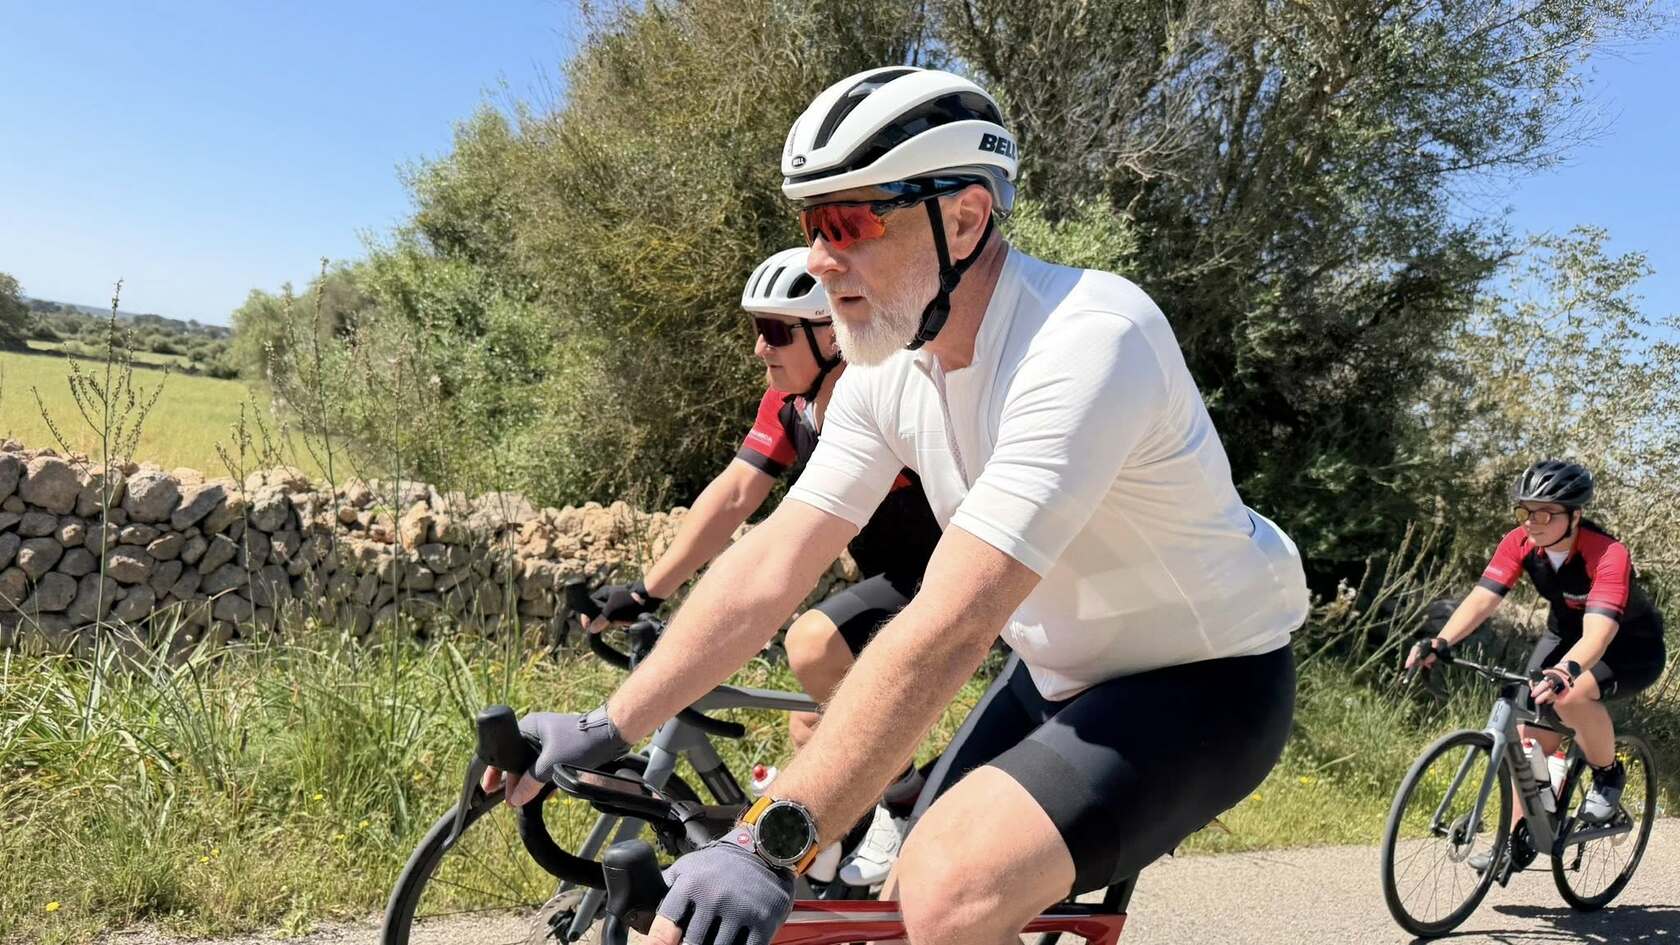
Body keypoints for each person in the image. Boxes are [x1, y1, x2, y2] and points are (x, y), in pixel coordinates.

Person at [488, 65, 1310, 945]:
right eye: (811, 225)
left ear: (965, 218)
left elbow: (954, 621)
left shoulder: (1089, 341)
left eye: (850, 222)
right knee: (895, 893)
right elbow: (774, 561)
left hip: (1203, 678)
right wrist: (608, 724)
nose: (819, 257)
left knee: (946, 893)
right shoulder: (888, 368)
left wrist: (769, 842)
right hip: (1054, 671)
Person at [584, 245, 942, 884]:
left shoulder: (881, 392)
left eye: (776, 331)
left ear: (830, 334)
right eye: (757, 329)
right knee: (811, 729)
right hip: (891, 580)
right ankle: (831, 878)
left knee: (812, 643)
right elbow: (733, 495)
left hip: (949, 578)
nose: (759, 348)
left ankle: (904, 800)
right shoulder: (789, 405)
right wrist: (645, 592)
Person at [1408, 459, 1667, 873]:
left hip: (1628, 647)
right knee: (1527, 733)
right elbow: (1483, 598)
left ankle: (1607, 775)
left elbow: (1598, 635)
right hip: (1564, 635)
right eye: (1525, 511)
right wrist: (1441, 641)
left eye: (1545, 513)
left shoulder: (1607, 554)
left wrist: (1565, 671)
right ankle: (1518, 838)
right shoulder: (1520, 542)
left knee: (1571, 697)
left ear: (1575, 516)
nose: (1532, 521)